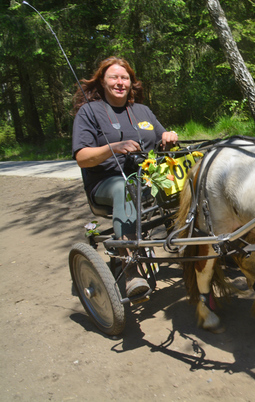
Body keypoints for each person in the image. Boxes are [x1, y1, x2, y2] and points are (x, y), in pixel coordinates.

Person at [72, 57, 178, 301]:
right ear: (102, 81)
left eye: (124, 78)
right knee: (124, 187)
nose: (120, 82)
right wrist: (113, 147)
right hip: (107, 182)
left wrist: (168, 138)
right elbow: (82, 157)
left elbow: (163, 140)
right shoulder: (90, 112)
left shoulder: (143, 111)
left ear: (132, 83)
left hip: (147, 179)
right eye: (113, 77)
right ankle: (131, 269)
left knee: (191, 180)